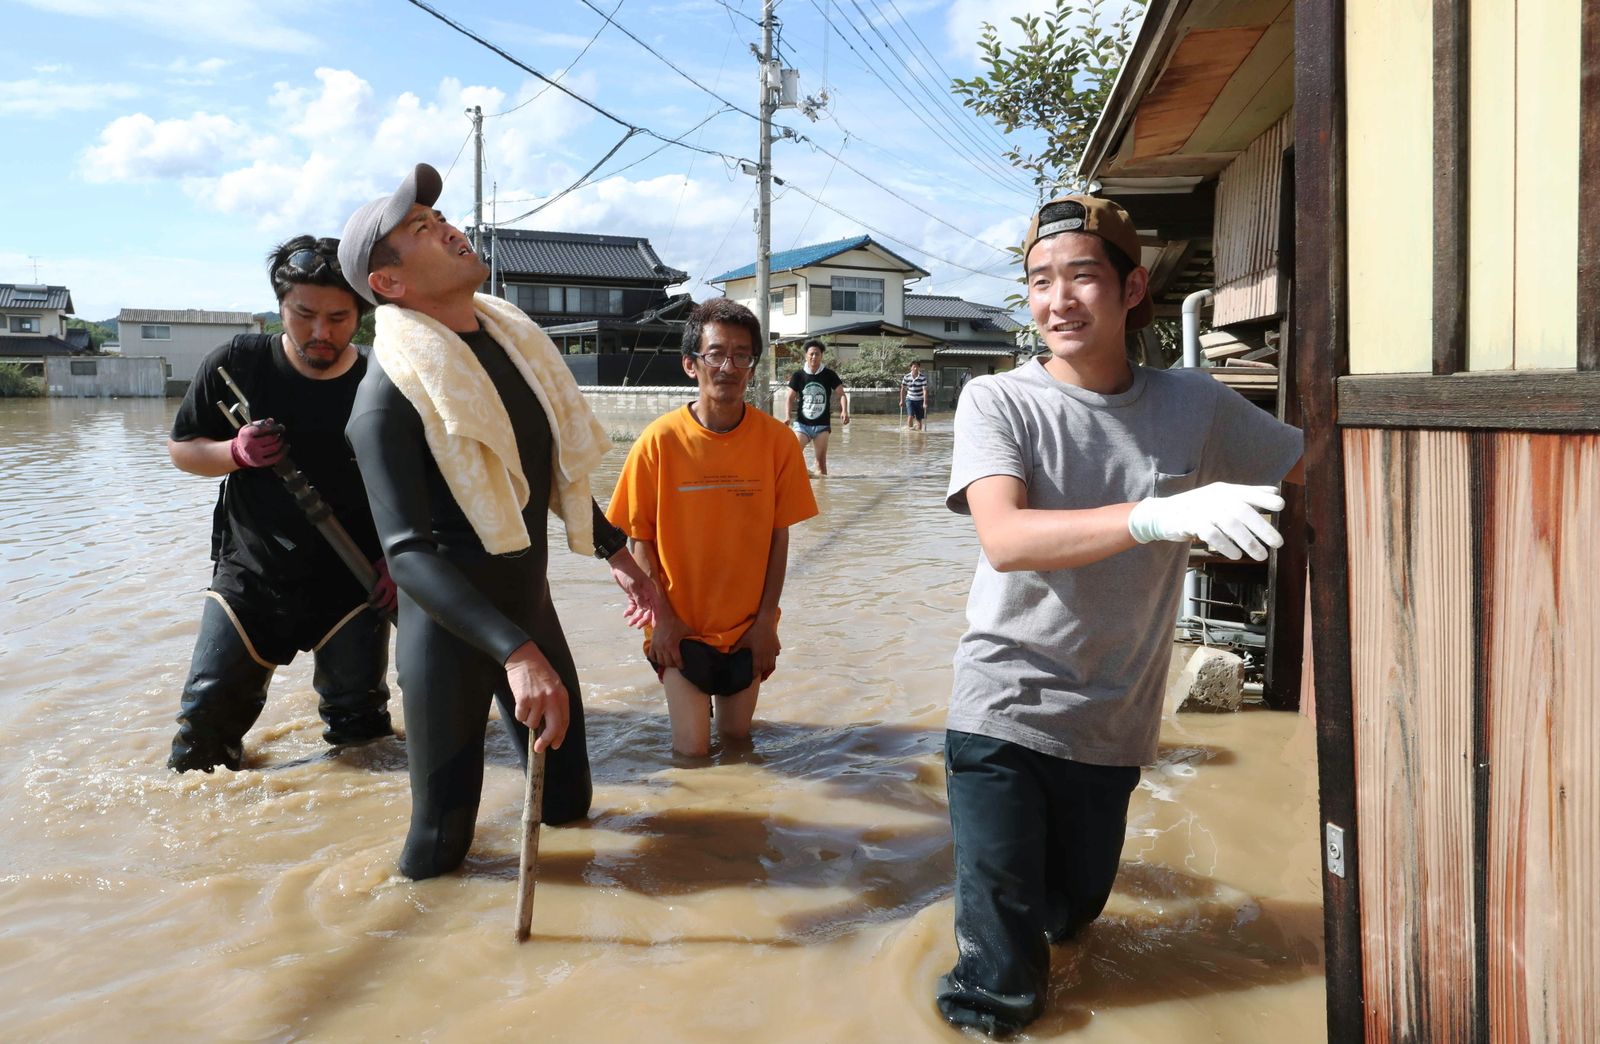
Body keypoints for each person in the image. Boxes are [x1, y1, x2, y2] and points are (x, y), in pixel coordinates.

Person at [936, 195, 1304, 1037]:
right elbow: (1005, 537)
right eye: (1038, 282)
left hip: (1114, 722)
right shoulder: (998, 402)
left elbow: (1308, 468)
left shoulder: (1195, 404)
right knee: (1000, 987)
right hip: (1001, 709)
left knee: (1073, 923)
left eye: (1081, 277)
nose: (1057, 301)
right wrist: (1155, 514)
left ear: (1133, 288)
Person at [338, 163, 660, 880]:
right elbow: (408, 556)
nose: (448, 229)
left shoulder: (512, 347)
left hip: (526, 605)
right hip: (450, 632)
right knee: (441, 844)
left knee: (569, 804)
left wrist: (616, 552)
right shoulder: (386, 400)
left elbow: (544, 476)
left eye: (439, 218)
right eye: (420, 229)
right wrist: (517, 655)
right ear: (388, 284)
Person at [166, 236, 397, 774]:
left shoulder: (382, 377)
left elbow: (418, 482)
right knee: (200, 744)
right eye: (305, 314)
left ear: (360, 315)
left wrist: (398, 558)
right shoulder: (237, 363)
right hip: (252, 572)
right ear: (279, 307)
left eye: (340, 317)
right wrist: (234, 452)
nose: (321, 332)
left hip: (356, 580)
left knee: (365, 743)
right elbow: (182, 450)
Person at [605, 299, 818, 757]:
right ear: (690, 364)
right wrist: (663, 621)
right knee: (692, 753)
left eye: (742, 355)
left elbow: (779, 537)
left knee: (741, 745)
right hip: (680, 631)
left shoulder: (778, 442)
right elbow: (638, 536)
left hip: (747, 630)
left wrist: (765, 622)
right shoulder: (658, 441)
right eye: (716, 353)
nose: (729, 366)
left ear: (753, 366)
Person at [784, 339, 849, 475]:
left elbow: (841, 394)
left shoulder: (829, 374)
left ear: (822, 355)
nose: (814, 357)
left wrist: (844, 411)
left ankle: (821, 493)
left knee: (821, 464)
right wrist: (787, 416)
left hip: (822, 425)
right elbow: (789, 398)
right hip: (802, 424)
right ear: (806, 356)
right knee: (792, 456)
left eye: (817, 354)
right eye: (811, 354)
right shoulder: (798, 375)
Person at [899, 358, 929, 430]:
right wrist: (902, 401)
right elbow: (903, 389)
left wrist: (925, 403)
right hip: (910, 399)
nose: (915, 368)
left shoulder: (923, 377)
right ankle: (910, 432)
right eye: (913, 366)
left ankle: (918, 433)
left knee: (919, 419)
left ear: (919, 367)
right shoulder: (906, 377)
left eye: (917, 367)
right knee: (910, 416)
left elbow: (925, 390)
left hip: (920, 400)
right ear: (911, 367)